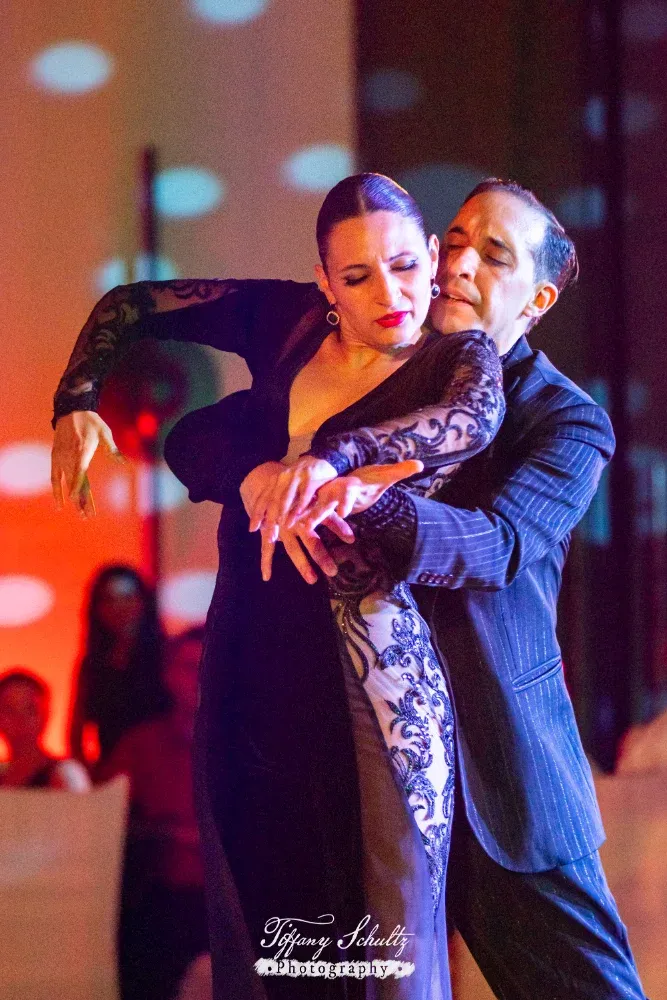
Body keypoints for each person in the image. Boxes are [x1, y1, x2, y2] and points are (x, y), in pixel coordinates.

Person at [50, 173, 507, 1000]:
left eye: (405, 265)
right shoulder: (286, 320)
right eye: (357, 276)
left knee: (384, 944)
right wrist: (77, 399)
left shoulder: (456, 355)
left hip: (371, 670)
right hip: (251, 659)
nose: (391, 294)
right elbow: (134, 303)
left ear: (430, 253)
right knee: (261, 924)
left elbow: (470, 421)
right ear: (324, 282)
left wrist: (330, 459)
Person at [271, 179, 644, 999]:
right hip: (366, 768)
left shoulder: (565, 419)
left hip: (500, 781)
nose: (458, 264)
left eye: (494, 255)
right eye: (456, 240)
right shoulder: (378, 362)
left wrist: (367, 501)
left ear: (537, 300)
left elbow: (498, 547)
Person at [98, 627, 209, 1000]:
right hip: (157, 907)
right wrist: (167, 835)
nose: (199, 678)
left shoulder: (251, 745)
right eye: (189, 667)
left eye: (208, 667)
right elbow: (103, 822)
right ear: (168, 675)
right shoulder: (140, 744)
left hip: (235, 906)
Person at [69, 564, 169, 767]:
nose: (119, 608)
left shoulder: (167, 656)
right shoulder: (93, 665)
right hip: (112, 772)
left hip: (162, 770)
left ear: (143, 602)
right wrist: (89, 774)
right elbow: (76, 730)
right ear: (97, 609)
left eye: (128, 598)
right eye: (109, 600)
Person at [0, 668, 90, 791]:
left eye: (30, 710)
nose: (19, 720)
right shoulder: (3, 775)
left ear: (46, 715)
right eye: (9, 711)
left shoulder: (65, 773)